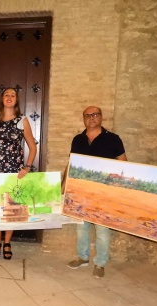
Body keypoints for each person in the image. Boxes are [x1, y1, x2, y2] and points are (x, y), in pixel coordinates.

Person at [65, 105, 127, 278]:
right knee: (81, 228)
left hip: (104, 194)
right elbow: (71, 164)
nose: (91, 118)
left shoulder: (113, 139)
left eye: (95, 115)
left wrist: (118, 190)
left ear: (101, 117)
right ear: (83, 119)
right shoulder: (77, 139)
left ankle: (100, 263)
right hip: (81, 192)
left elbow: (124, 163)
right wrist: (64, 186)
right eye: (87, 115)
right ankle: (83, 257)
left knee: (102, 230)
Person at [0, 87, 37, 260]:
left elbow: (32, 146)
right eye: (6, 94)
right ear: (2, 98)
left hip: (15, 171)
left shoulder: (22, 121)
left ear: (16, 100)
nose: (9, 97)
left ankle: (7, 242)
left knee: (12, 207)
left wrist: (27, 167)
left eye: (13, 95)